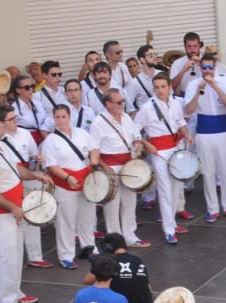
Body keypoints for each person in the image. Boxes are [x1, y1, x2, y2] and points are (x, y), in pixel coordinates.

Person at [0, 113, 52, 303]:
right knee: (4, 257)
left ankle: (15, 293)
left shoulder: (0, 148)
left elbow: (15, 169)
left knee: (15, 255)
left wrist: (34, 174)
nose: (2, 125)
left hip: (11, 212)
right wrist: (12, 206)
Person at [134, 73, 193, 243]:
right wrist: (147, 143)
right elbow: (134, 130)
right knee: (165, 189)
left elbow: (181, 123)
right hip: (159, 152)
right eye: (157, 87)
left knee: (176, 187)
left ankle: (172, 223)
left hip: (176, 148)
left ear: (169, 87)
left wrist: (187, 135)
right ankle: (168, 229)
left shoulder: (175, 103)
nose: (160, 90)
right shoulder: (147, 107)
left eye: (163, 86)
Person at [90, 89, 150, 248]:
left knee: (130, 203)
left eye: (122, 101)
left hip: (129, 166)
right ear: (108, 104)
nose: (122, 104)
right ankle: (114, 239)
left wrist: (137, 143)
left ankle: (130, 235)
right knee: (112, 206)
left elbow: (136, 136)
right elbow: (94, 149)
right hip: (111, 167)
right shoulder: (98, 122)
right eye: (118, 102)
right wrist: (104, 167)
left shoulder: (126, 118)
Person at [0, 106, 53, 269]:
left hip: (27, 174)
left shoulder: (25, 134)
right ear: (1, 122)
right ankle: (13, 259)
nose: (15, 122)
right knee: (13, 218)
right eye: (11, 119)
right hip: (8, 180)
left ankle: (36, 256)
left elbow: (32, 156)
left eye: (15, 118)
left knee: (33, 214)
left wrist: (37, 159)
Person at [41, 104, 99, 268]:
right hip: (65, 185)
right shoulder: (50, 141)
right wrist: (67, 177)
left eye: (63, 116)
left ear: (69, 117)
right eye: (57, 117)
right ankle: (66, 255)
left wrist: (94, 158)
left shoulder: (81, 133)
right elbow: (52, 166)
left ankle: (90, 248)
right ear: (54, 119)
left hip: (86, 182)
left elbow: (94, 148)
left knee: (87, 218)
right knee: (66, 222)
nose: (60, 120)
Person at [184, 53, 226, 222]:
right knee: (208, 173)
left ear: (215, 67)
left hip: (222, 130)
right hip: (204, 132)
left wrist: (215, 86)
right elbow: (189, 110)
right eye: (204, 67)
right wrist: (198, 93)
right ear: (200, 68)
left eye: (210, 67)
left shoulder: (224, 81)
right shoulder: (193, 84)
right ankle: (212, 209)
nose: (208, 71)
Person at [82, 233, 153, 303]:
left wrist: (98, 262)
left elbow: (86, 281)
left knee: (96, 286)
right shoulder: (138, 260)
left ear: (108, 247)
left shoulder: (108, 262)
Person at [11, 75, 48, 145]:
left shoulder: (38, 103)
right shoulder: (14, 109)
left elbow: (45, 121)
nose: (31, 89)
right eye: (27, 87)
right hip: (27, 142)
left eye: (32, 86)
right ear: (18, 90)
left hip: (44, 137)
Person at [126, 44, 161, 110]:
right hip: (146, 118)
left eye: (155, 54)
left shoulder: (162, 74)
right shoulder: (135, 82)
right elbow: (129, 104)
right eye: (151, 55)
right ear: (142, 59)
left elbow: (170, 96)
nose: (155, 57)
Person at [169, 32, 203, 96]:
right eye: (189, 46)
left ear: (199, 46)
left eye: (195, 46)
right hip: (184, 95)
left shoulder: (207, 61)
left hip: (204, 94)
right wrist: (183, 71)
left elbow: (215, 81)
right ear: (185, 47)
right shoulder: (177, 63)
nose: (192, 49)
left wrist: (202, 65)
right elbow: (172, 86)